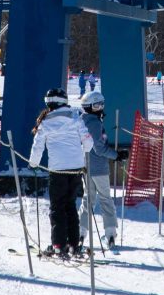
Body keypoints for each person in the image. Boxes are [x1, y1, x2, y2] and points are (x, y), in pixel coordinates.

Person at [27, 89, 87, 257]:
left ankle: (58, 244)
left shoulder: (45, 122)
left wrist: (33, 164)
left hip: (57, 169)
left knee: (57, 207)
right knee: (70, 205)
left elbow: (37, 146)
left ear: (49, 103)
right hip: (75, 168)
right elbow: (87, 141)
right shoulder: (76, 117)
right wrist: (82, 154)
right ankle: (73, 244)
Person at [75, 90, 120, 250]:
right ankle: (110, 233)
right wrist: (116, 155)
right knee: (105, 200)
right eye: (97, 105)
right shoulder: (94, 123)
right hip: (99, 168)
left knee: (88, 201)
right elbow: (99, 148)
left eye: (102, 104)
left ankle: (80, 233)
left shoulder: (82, 121)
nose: (101, 108)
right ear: (89, 107)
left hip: (87, 167)